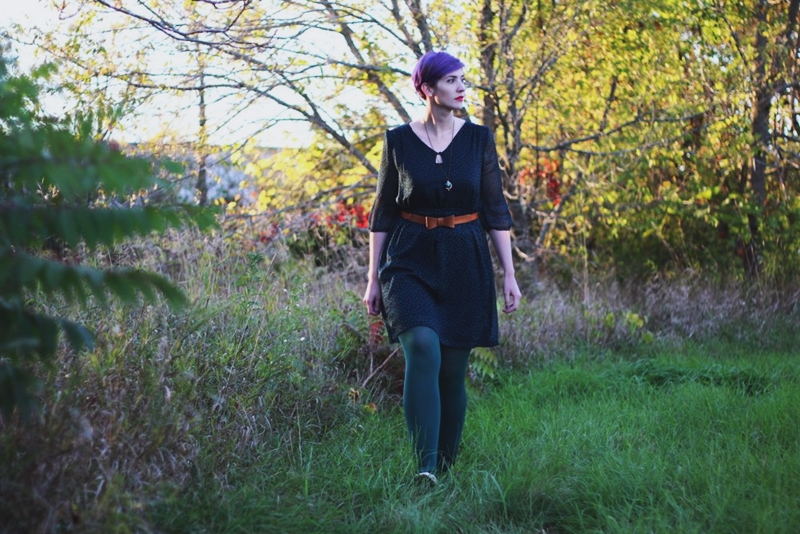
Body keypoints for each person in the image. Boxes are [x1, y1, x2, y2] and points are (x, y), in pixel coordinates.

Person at [363, 51, 521, 486]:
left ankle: (447, 468)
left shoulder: (479, 140)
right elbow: (382, 213)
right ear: (428, 89)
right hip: (408, 259)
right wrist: (373, 277)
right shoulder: (398, 140)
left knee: (453, 368)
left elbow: (494, 208)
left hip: (466, 260)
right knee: (424, 348)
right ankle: (425, 467)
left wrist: (509, 273)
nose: (461, 87)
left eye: (462, 79)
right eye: (452, 80)